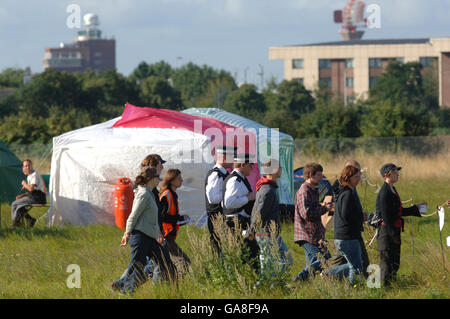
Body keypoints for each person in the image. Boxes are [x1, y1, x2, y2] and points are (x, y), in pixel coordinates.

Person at [112, 168, 176, 294]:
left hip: (150, 237)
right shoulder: (143, 194)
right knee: (137, 267)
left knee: (165, 262)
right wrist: (127, 233)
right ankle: (124, 290)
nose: (159, 179)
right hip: (140, 237)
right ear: (150, 179)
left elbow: (151, 219)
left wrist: (158, 234)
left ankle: (171, 292)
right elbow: (133, 215)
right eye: (157, 176)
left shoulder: (150, 193)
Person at [376, 163, 423, 286]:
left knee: (395, 262)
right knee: (386, 263)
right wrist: (393, 235)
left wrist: (415, 209)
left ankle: (392, 286)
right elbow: (386, 216)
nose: (398, 174)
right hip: (387, 233)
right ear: (387, 175)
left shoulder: (392, 189)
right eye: (395, 172)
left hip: (394, 231)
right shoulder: (384, 192)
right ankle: (383, 289)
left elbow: (397, 211)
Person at [251, 159, 293, 287]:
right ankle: (269, 286)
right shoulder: (267, 190)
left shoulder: (268, 187)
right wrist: (253, 231)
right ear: (274, 170)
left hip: (270, 233)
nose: (281, 169)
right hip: (266, 233)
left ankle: (271, 285)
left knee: (274, 262)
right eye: (279, 167)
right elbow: (259, 213)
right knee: (281, 261)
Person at [326, 160, 370, 278]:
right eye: (357, 174)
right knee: (357, 265)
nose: (359, 176)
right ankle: (327, 274)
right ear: (349, 173)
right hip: (348, 234)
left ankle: (328, 275)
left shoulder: (348, 189)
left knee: (353, 264)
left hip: (347, 233)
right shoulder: (344, 191)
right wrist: (361, 217)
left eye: (360, 173)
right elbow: (345, 214)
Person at [293, 162, 334, 282]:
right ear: (311, 175)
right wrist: (324, 208)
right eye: (319, 175)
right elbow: (307, 214)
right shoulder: (304, 191)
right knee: (324, 258)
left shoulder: (312, 190)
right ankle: (299, 278)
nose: (322, 178)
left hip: (315, 234)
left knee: (313, 263)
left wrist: (323, 207)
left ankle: (303, 285)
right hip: (306, 234)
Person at [222, 153, 259, 272]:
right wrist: (248, 198)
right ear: (243, 165)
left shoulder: (238, 179)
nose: (252, 168)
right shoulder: (235, 180)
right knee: (250, 253)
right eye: (250, 166)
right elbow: (228, 202)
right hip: (236, 222)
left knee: (248, 253)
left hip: (239, 222)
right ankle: (256, 281)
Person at [205, 145, 236, 256]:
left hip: (223, 218)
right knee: (220, 252)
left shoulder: (224, 173)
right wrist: (230, 196)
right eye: (231, 156)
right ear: (223, 157)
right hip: (217, 218)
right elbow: (213, 199)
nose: (233, 159)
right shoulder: (215, 174)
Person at [160, 169, 191, 272]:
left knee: (157, 265)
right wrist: (180, 219)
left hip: (168, 234)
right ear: (171, 180)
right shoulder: (167, 195)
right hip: (165, 235)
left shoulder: (172, 194)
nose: (181, 180)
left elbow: (170, 216)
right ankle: (178, 286)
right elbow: (162, 217)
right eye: (179, 178)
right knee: (184, 262)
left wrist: (181, 220)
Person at [11, 159, 47, 227]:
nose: (27, 167)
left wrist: (24, 184)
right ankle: (30, 219)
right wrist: (22, 195)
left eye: (29, 165)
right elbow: (32, 191)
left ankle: (15, 224)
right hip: (35, 196)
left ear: (32, 166)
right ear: (23, 168)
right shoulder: (30, 176)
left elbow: (31, 189)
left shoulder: (34, 175)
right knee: (19, 205)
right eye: (26, 166)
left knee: (14, 204)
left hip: (39, 198)